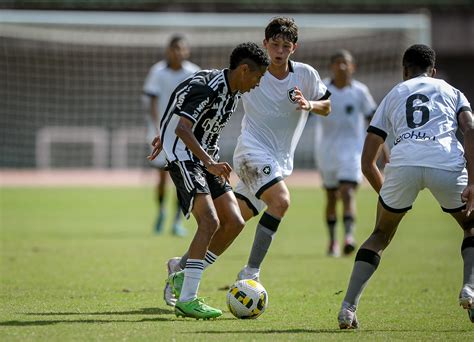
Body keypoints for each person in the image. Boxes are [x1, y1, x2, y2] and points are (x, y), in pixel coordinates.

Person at [163, 16, 331, 305]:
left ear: (295, 48)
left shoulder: (305, 75)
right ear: (265, 44)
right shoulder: (253, 72)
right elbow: (207, 91)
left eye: (286, 46)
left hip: (279, 162)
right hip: (251, 153)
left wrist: (310, 104)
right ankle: (251, 271)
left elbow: (327, 106)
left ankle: (181, 268)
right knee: (280, 202)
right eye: (274, 44)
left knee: (233, 223)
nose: (279, 51)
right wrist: (167, 133)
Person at [337, 44, 474, 329]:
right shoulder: (451, 91)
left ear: (404, 71)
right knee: (471, 226)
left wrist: (387, 196)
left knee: (380, 235)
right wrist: (472, 182)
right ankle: (470, 290)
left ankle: (347, 308)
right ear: (433, 71)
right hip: (446, 162)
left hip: (403, 164)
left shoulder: (393, 94)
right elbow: (470, 129)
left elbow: (367, 162)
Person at [148, 42, 269, 319]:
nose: (257, 83)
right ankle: (188, 298)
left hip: (205, 159)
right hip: (185, 157)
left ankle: (180, 269)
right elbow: (183, 127)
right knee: (210, 221)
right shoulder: (210, 85)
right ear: (244, 69)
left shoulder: (233, 93)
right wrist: (206, 161)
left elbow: (180, 103)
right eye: (258, 77)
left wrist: (167, 131)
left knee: (235, 221)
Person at [315, 49, 387, 257]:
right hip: (326, 150)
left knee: (347, 192)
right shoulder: (322, 89)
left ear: (353, 67)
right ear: (331, 67)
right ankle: (332, 242)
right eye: (337, 62)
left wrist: (385, 150)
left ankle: (348, 237)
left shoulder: (360, 91)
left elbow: (374, 122)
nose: (342, 66)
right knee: (331, 196)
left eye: (345, 63)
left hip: (353, 151)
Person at [142, 35, 200, 235]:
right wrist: (158, 127)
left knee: (181, 178)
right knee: (161, 178)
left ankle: (177, 221)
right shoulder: (157, 71)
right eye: (174, 48)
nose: (177, 52)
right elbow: (152, 101)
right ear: (168, 50)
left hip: (183, 133)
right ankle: (161, 212)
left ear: (187, 51)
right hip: (160, 132)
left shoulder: (194, 72)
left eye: (181, 48)